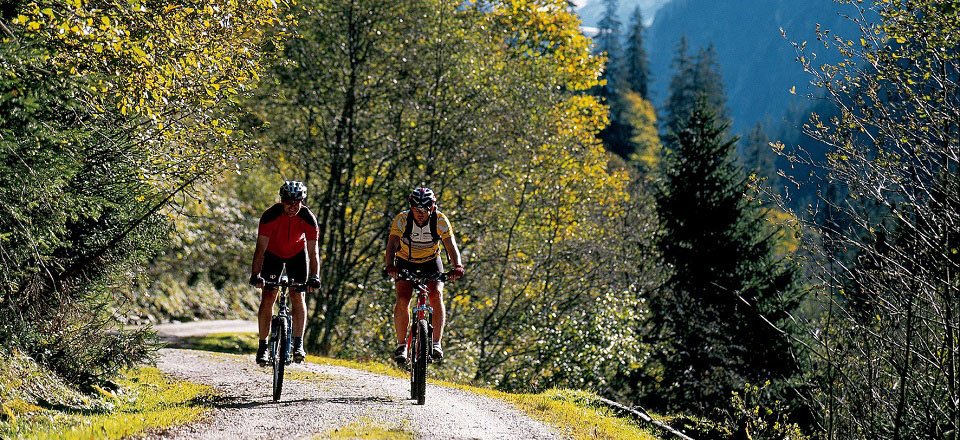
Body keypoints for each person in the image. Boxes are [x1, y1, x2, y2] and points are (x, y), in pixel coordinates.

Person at [384, 187, 464, 364]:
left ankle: (436, 343)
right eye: (416, 209)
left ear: (432, 208)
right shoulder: (402, 219)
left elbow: (451, 246)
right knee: (403, 298)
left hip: (431, 261)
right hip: (405, 261)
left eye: (425, 209)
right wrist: (390, 265)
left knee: (436, 294)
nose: (420, 213)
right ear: (411, 207)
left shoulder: (440, 220)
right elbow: (392, 245)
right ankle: (401, 344)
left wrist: (457, 265)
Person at [249, 180, 321, 365]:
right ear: (281, 200)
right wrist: (256, 275)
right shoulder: (269, 216)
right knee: (268, 297)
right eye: (288, 202)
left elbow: (313, 252)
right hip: (272, 255)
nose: (292, 206)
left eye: (297, 202)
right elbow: (260, 250)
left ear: (302, 201)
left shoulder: (308, 218)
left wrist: (314, 277)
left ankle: (298, 343)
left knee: (298, 296)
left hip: (297, 255)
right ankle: (263, 346)